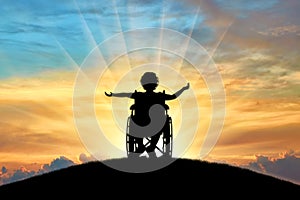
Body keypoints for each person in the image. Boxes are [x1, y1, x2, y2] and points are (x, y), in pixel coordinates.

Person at [105, 72, 189, 158]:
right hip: (156, 125)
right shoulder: (159, 96)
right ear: (155, 84)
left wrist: (113, 94)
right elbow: (173, 96)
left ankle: (141, 146)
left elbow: (125, 94)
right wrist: (183, 89)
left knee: (137, 123)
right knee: (160, 123)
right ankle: (151, 147)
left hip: (141, 123)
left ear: (143, 84)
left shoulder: (138, 95)